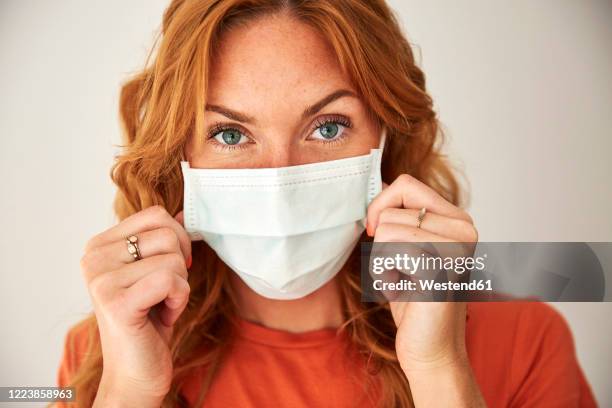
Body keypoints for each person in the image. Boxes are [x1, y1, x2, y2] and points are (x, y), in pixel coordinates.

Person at [56, 0, 596, 406]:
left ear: (384, 137)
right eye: (229, 134)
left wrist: (439, 367)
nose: (280, 182)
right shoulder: (109, 347)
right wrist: (129, 390)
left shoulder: (525, 337)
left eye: (328, 126)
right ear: (181, 152)